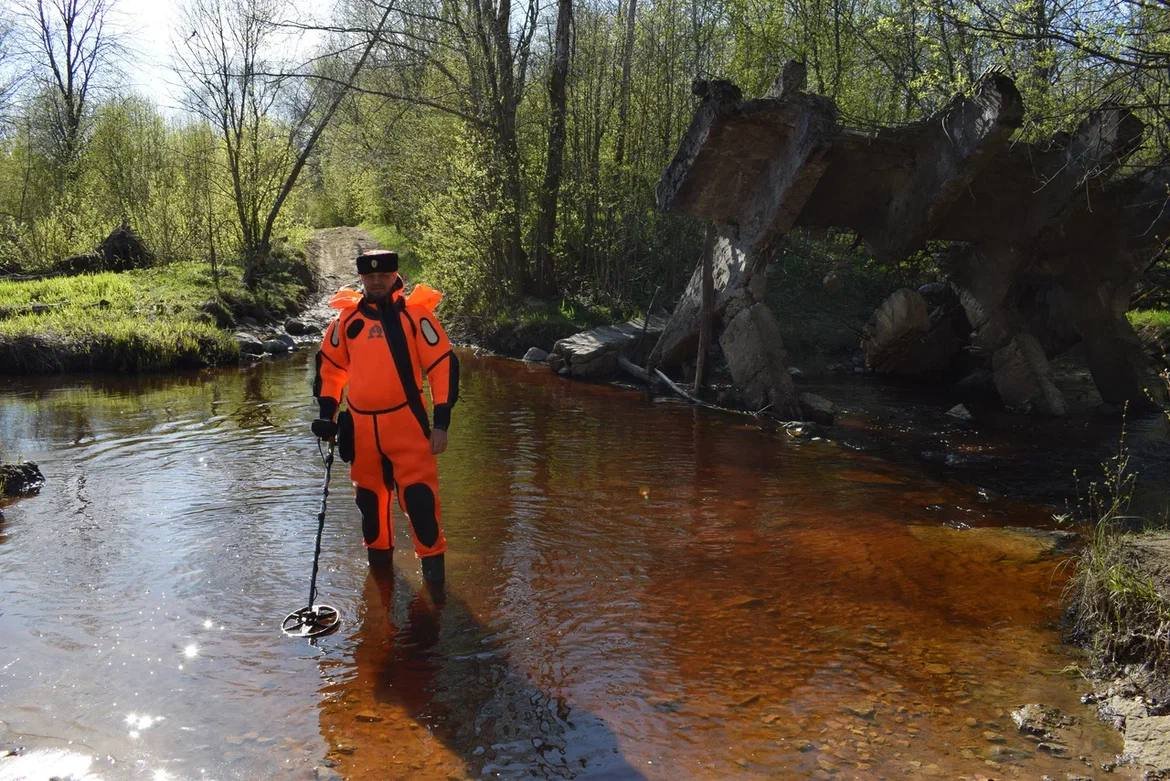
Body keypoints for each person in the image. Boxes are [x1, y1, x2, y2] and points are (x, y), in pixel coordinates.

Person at [311, 249, 459, 583]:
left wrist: (441, 423)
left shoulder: (415, 316)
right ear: (362, 278)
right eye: (370, 276)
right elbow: (331, 369)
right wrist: (327, 414)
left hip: (408, 426)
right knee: (370, 510)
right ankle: (380, 592)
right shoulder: (346, 321)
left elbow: (442, 366)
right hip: (362, 432)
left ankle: (436, 592)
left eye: (383, 275)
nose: (376, 281)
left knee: (421, 507)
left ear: (395, 276)